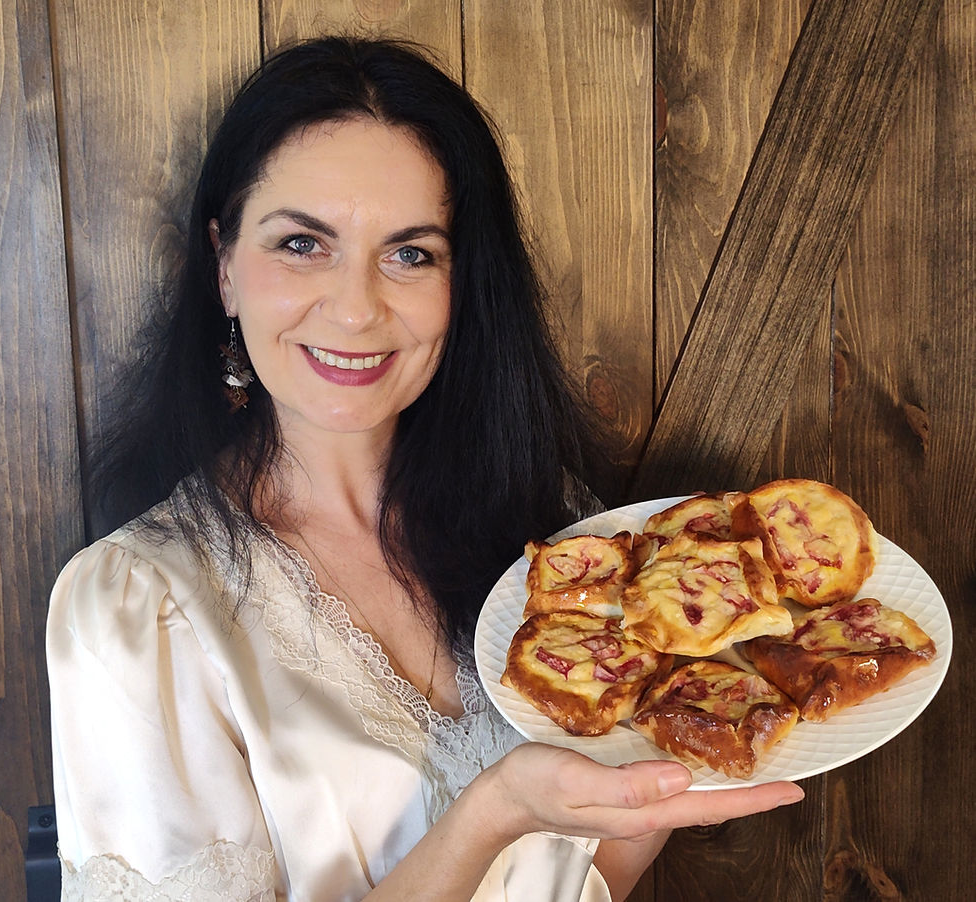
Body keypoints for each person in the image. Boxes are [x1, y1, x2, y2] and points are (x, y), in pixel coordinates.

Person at [46, 36, 804, 901]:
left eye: (411, 254)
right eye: (302, 244)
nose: (358, 307)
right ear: (223, 266)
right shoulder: (137, 610)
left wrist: (678, 756)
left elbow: (588, 874)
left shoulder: (554, 528)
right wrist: (493, 812)